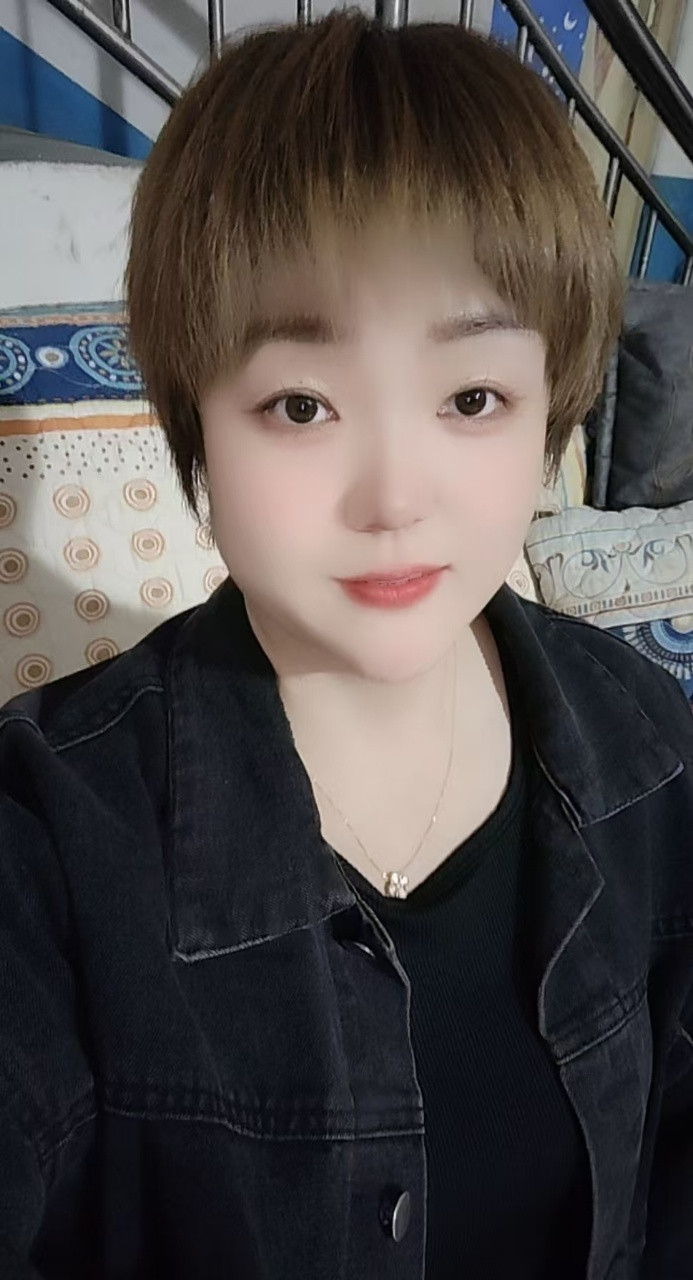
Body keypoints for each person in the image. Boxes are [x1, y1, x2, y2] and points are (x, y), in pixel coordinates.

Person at [0, 8, 691, 1279]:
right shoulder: (49, 833)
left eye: (472, 397)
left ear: (548, 410)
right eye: (301, 404)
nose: (395, 498)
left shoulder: (649, 745)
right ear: (197, 422)